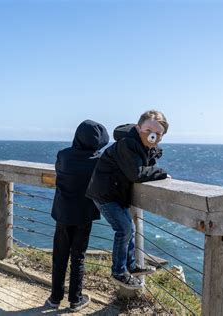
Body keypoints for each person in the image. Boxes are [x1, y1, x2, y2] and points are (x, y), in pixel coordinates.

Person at [86, 110, 169, 289]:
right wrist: (163, 173)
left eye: (158, 133)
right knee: (124, 228)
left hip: (116, 192)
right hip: (105, 193)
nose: (152, 135)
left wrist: (152, 153)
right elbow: (136, 174)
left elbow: (143, 167)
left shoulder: (144, 146)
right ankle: (118, 272)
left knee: (128, 228)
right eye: (148, 130)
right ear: (138, 128)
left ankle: (130, 265)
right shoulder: (128, 144)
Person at [47, 120, 109, 311]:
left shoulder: (63, 155)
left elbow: (59, 170)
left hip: (63, 213)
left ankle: (55, 298)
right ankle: (75, 299)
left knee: (60, 256)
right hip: (84, 215)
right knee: (78, 257)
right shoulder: (99, 161)